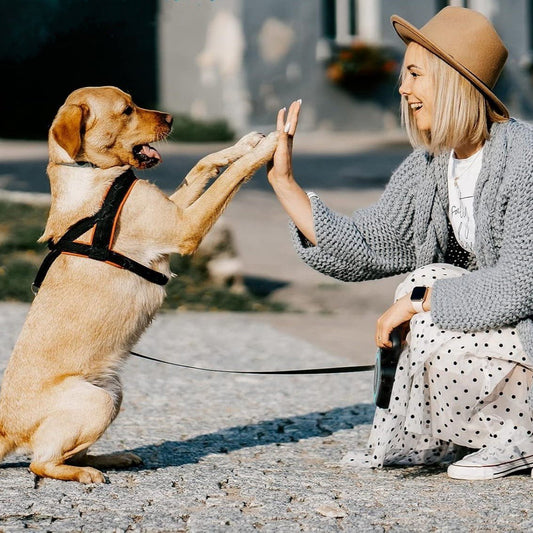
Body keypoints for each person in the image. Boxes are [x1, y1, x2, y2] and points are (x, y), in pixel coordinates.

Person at [267, 6, 533, 480]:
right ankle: (457, 436)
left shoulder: (524, 160)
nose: (402, 88)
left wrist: (417, 303)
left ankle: (519, 436)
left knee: (424, 295)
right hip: (506, 343)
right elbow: (366, 245)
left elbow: (519, 285)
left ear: (453, 80)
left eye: (414, 74)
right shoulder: (431, 165)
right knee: (425, 281)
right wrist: (286, 184)